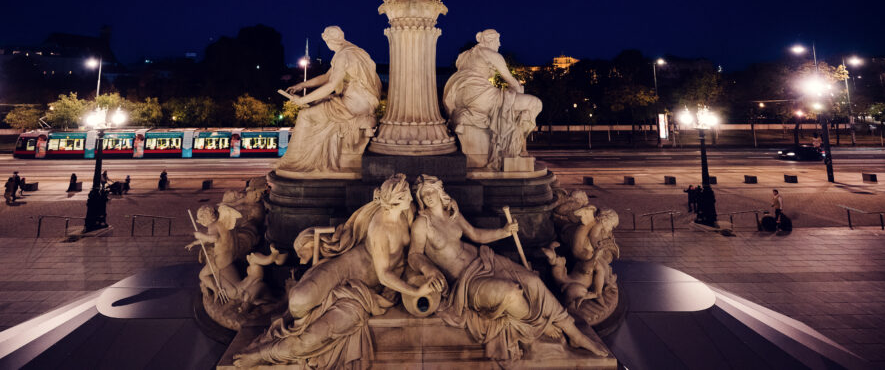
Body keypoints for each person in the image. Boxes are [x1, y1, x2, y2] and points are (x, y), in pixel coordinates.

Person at [234, 174, 437, 369]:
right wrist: (415, 291)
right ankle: (285, 327)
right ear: (396, 200)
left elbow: (408, 255)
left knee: (313, 337)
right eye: (407, 194)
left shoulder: (406, 211)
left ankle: (263, 354)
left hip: (360, 293)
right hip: (341, 269)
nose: (411, 196)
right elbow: (384, 274)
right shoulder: (380, 228)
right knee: (297, 302)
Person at [410, 175, 607, 360]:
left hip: (484, 260)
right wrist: (429, 269)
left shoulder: (451, 213)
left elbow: (476, 235)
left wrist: (503, 232)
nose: (428, 197)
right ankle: (538, 324)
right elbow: (414, 255)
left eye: (431, 191)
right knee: (511, 293)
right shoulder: (422, 223)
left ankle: (576, 335)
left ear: (439, 191)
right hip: (466, 281)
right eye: (423, 194)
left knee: (533, 281)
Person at [277, 26, 381, 174]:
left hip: (352, 106)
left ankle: (295, 161)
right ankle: (308, 157)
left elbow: (331, 84)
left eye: (326, 41)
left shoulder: (342, 56)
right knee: (318, 102)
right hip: (365, 103)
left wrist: (303, 100)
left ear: (330, 40)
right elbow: (327, 77)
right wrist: (302, 85)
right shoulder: (353, 51)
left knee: (305, 115)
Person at [442, 30, 542, 169]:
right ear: (489, 40)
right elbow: (511, 81)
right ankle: (512, 150)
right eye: (497, 40)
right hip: (481, 96)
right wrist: (518, 90)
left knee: (512, 104)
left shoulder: (464, 56)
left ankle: (511, 144)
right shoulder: (491, 54)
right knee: (535, 103)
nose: (499, 44)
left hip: (460, 97)